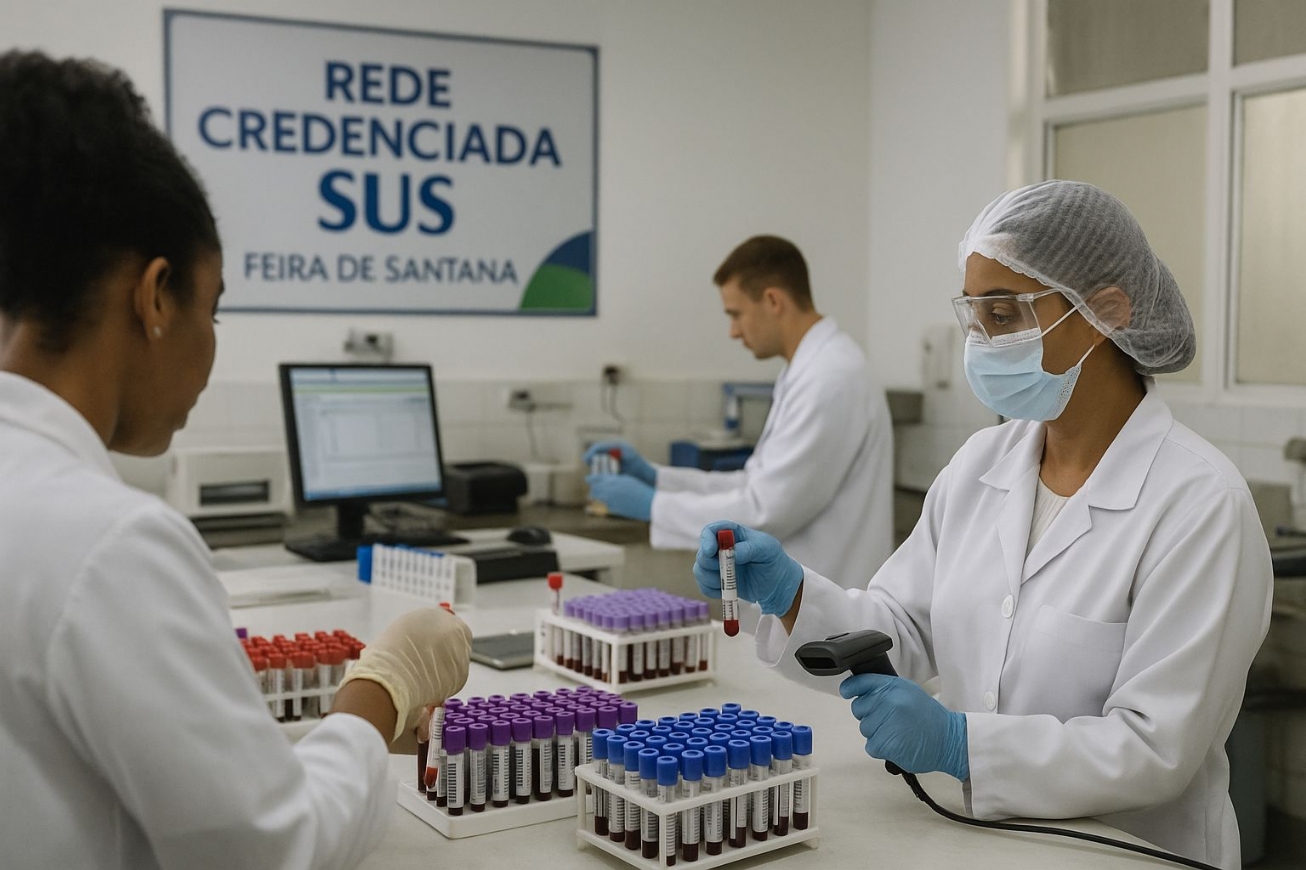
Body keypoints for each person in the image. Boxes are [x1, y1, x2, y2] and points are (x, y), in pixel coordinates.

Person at [693, 182, 1273, 869]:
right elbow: (901, 629)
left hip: (1133, 854)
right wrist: (789, 594)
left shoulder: (1199, 504)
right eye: (974, 315)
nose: (982, 342)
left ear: (1106, 313)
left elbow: (1155, 748)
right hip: (979, 844)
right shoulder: (980, 466)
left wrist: (961, 746)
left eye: (1004, 314)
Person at [0, 51, 471, 869]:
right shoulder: (111, 545)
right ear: (155, 297)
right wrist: (384, 686)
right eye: (214, 310)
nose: (211, 344)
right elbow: (274, 848)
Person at [586, 235, 894, 584]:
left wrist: (654, 505)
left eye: (736, 314)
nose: (733, 332)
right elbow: (755, 484)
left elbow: (765, 511)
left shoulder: (831, 377)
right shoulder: (808, 368)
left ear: (773, 300)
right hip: (804, 597)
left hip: (827, 600)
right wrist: (659, 479)